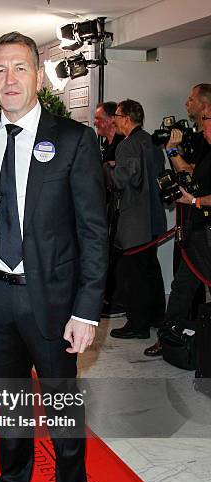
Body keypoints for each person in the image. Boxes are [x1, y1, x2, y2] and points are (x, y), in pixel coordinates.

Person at [0, 32, 107, 482]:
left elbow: (94, 231)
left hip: (52, 301)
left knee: (63, 414)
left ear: (39, 76)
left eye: (20, 68)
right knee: (11, 406)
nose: (9, 80)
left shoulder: (72, 139)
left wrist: (86, 310)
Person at [145, 84, 211, 356]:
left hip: (206, 232)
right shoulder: (206, 149)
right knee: (183, 286)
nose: (202, 125)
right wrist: (172, 150)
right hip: (194, 230)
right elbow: (188, 171)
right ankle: (168, 336)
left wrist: (194, 201)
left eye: (206, 119)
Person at [108, 99, 166, 340]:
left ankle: (137, 324)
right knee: (150, 270)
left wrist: (109, 169)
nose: (115, 120)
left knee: (134, 276)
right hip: (154, 219)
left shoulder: (127, 145)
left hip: (135, 222)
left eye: (117, 115)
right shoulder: (151, 142)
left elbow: (123, 180)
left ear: (127, 118)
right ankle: (155, 316)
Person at [94, 101, 125, 318]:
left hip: (120, 212)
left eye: (98, 119)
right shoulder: (106, 145)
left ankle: (117, 301)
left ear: (109, 120)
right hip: (106, 209)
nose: (95, 123)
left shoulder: (123, 144)